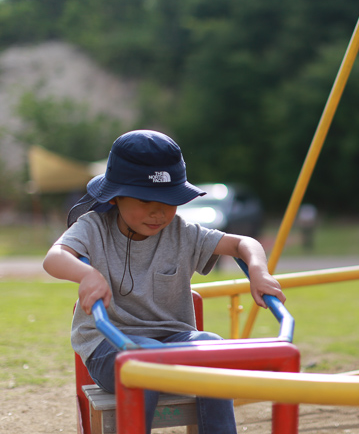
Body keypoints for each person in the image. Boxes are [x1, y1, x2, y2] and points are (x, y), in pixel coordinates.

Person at [42, 129, 285, 434]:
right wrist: (87, 274)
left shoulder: (181, 232)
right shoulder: (93, 227)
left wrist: (259, 272)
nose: (158, 213)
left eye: (170, 202)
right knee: (143, 361)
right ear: (116, 196)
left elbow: (243, 244)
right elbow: (54, 257)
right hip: (110, 346)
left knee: (215, 349)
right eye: (146, 200)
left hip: (172, 341)